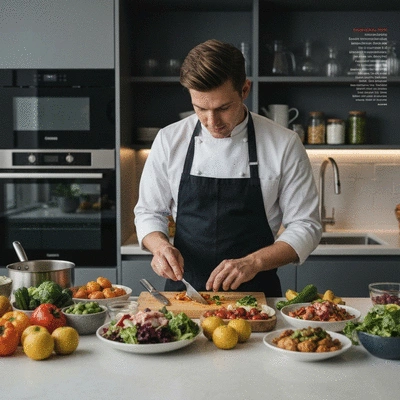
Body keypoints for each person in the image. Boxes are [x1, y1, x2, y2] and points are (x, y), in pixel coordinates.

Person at [134, 39, 322, 297]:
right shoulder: (170, 140)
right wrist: (160, 247)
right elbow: (148, 212)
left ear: (245, 90)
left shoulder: (284, 144)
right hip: (183, 296)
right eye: (200, 108)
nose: (212, 122)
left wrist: (254, 262)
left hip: (257, 298)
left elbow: (306, 225)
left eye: (223, 108)